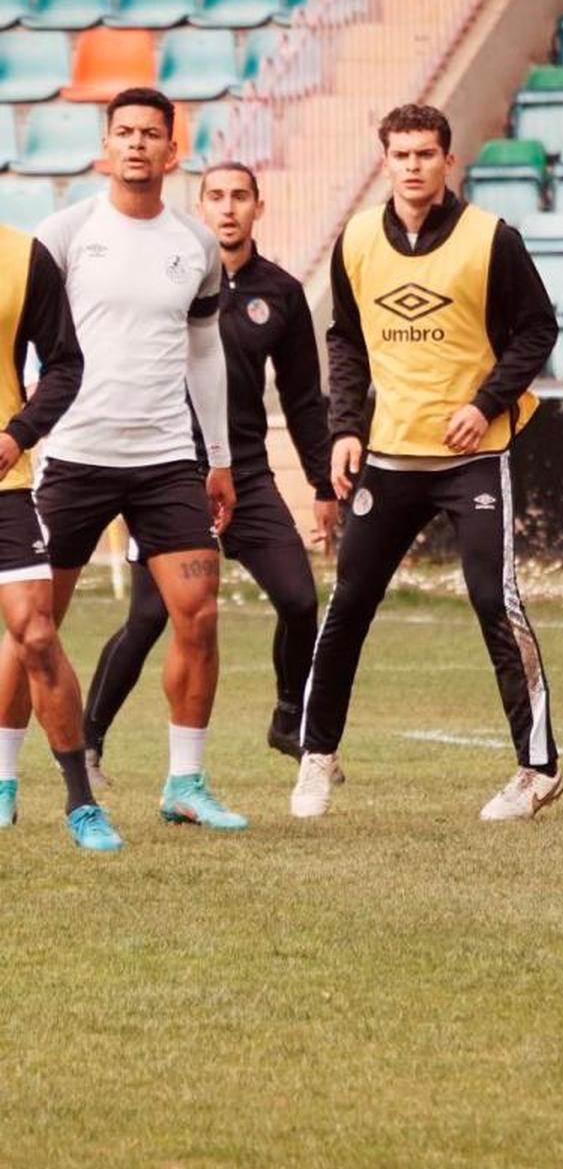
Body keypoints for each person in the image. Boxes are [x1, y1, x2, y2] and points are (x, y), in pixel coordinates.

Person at [290, 103, 561, 822]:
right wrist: (346, 428)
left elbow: (538, 330)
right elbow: (345, 341)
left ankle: (537, 770)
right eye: (400, 154)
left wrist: (486, 401)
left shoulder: (490, 239)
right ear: (385, 161)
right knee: (348, 605)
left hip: (474, 455)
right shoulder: (355, 242)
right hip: (390, 455)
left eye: (425, 154)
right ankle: (317, 757)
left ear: (449, 160)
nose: (413, 165)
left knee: (491, 601)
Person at [0, 87, 247, 831]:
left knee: (198, 615)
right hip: (74, 457)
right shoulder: (64, 234)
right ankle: (5, 780)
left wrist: (220, 456)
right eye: (124, 133)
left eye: (151, 135)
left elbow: (205, 349)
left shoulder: (195, 244)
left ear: (174, 152)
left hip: (168, 458)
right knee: (33, 626)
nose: (137, 145)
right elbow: (38, 347)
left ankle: (185, 781)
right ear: (106, 146)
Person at [82, 161, 339, 781]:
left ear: (259, 207)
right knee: (148, 618)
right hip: (170, 475)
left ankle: (286, 718)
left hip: (246, 475)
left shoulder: (279, 293)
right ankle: (88, 741)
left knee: (300, 598)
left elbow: (305, 397)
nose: (228, 208)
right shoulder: (166, 279)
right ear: (200, 206)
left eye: (240, 197)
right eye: (216, 197)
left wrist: (322, 486)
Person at [0, 218, 121, 850]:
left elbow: (67, 363)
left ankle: (80, 803)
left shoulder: (24, 257)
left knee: (38, 634)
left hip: (5, 484)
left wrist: (18, 433)